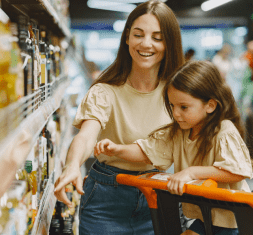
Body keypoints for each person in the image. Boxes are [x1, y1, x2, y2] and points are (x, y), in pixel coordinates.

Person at [54, 1, 185, 234]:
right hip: (106, 200)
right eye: (138, 34)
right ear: (127, 38)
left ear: (169, 43)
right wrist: (72, 165)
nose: (146, 43)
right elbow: (86, 137)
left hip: (159, 197)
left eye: (157, 37)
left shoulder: (178, 93)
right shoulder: (105, 91)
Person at [94, 60, 253, 235]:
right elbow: (147, 151)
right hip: (204, 218)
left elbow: (237, 171)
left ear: (210, 105)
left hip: (235, 221)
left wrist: (191, 172)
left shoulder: (224, 131)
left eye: (184, 107)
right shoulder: (178, 132)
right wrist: (117, 149)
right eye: (172, 106)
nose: (175, 114)